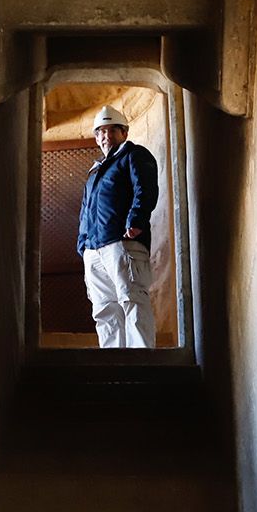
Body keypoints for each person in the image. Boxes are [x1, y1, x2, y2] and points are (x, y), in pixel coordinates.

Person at [76, 105, 160, 348]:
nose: (107, 136)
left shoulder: (134, 155)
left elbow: (144, 188)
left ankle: (142, 363)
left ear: (124, 132)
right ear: (96, 136)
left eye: (113, 130)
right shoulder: (95, 171)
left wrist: (136, 220)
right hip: (94, 250)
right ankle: (113, 363)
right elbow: (85, 210)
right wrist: (83, 244)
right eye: (101, 131)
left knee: (131, 299)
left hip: (122, 244)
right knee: (104, 309)